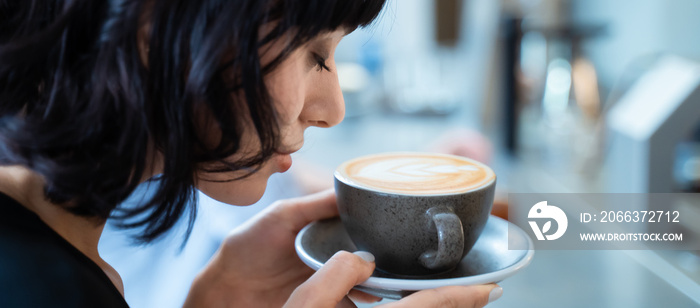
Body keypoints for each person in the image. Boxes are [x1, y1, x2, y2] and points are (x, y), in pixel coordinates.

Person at [0, 0, 502, 307]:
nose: (332, 110)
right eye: (314, 54)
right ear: (161, 21)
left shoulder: (55, 248)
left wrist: (211, 303)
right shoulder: (42, 289)